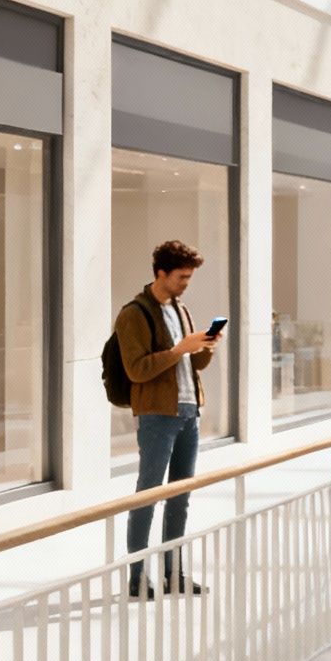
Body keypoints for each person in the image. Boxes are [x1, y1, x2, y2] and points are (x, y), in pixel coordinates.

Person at [117, 240, 222, 597]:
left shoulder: (181, 310)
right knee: (147, 495)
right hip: (157, 416)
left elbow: (192, 364)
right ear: (160, 273)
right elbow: (137, 369)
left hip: (189, 412)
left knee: (180, 497)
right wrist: (178, 350)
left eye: (189, 278)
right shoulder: (135, 313)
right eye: (181, 277)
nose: (185, 284)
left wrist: (204, 346)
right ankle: (137, 577)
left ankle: (173, 573)